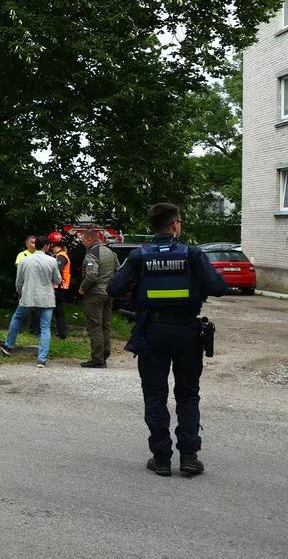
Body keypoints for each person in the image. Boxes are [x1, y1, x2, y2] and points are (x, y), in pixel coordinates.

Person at [108, 203, 227, 477]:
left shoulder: (139, 256)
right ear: (176, 225)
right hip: (187, 332)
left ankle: (161, 459)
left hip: (152, 332)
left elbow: (114, 288)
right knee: (187, 395)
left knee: (155, 394)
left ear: (153, 226)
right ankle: (189, 457)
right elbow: (218, 287)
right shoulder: (193, 254)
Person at [0, 235, 61, 367]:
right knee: (45, 327)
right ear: (46, 246)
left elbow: (19, 280)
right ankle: (41, 359)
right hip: (46, 298)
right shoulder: (52, 261)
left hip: (28, 296)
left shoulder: (25, 261)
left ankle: (9, 346)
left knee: (17, 318)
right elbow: (58, 280)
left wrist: (20, 292)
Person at [78, 230, 119, 368]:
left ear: (90, 240)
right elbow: (118, 270)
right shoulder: (111, 252)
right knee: (105, 325)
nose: (82, 242)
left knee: (94, 326)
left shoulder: (92, 254)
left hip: (95, 293)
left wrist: (83, 288)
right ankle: (104, 354)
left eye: (83, 240)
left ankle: (97, 359)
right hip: (109, 292)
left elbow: (91, 275)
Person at [15, 236, 41, 335]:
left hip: (38, 286)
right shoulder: (22, 255)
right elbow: (20, 270)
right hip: (26, 286)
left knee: (37, 310)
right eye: (33, 243)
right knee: (23, 308)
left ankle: (34, 331)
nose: (35, 245)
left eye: (36, 242)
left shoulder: (41, 255)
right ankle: (19, 329)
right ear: (27, 244)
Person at [50, 232, 72, 340]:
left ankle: (62, 333)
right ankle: (61, 333)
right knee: (58, 311)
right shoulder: (58, 255)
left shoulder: (61, 257)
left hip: (57, 288)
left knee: (57, 311)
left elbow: (56, 271)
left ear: (52, 243)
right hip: (59, 287)